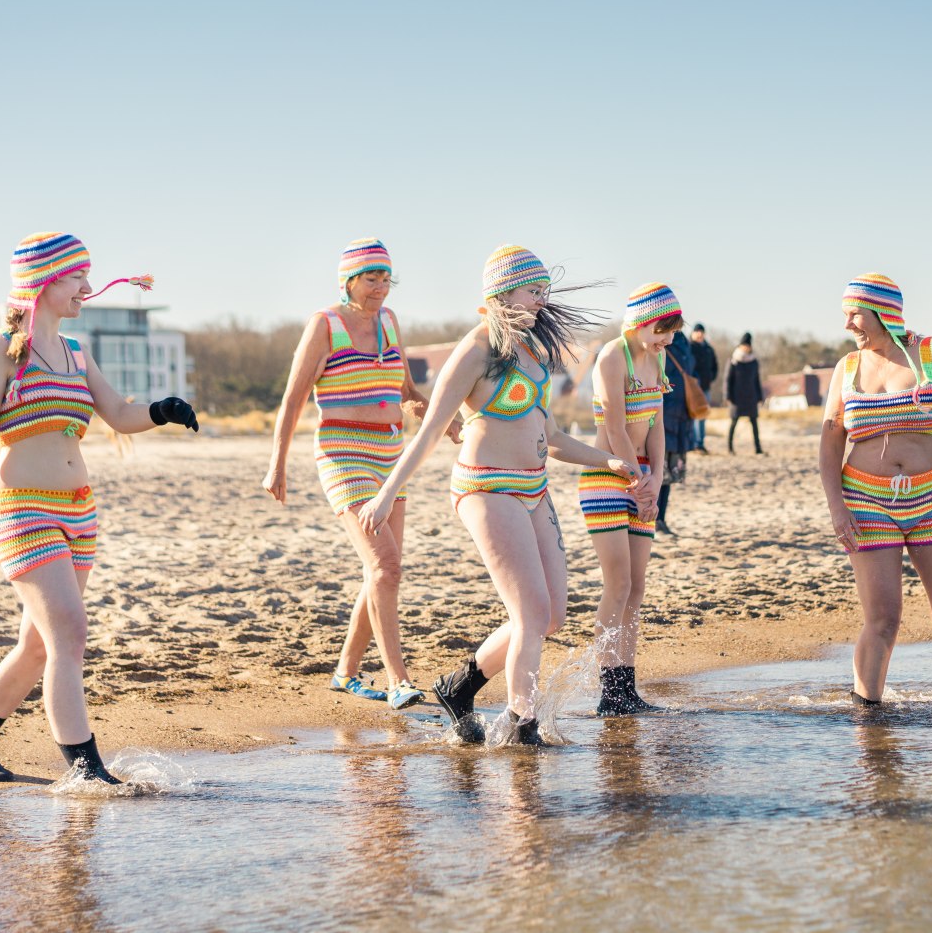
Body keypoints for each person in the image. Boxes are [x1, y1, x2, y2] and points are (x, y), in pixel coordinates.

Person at [0, 232, 200, 784]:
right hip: (22, 510)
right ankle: (87, 770)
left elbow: (120, 414)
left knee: (37, 644)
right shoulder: (0, 351)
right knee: (70, 635)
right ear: (43, 283)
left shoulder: (78, 352)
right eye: (77, 276)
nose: (87, 286)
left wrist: (162, 409)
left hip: (79, 512)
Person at [355, 245, 638, 745]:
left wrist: (608, 461)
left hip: (534, 487)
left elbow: (550, 437)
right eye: (532, 292)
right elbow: (429, 433)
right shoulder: (475, 350)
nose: (540, 303)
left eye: (544, 294)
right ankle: (520, 723)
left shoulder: (530, 350)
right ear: (501, 293)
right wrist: (386, 494)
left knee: (550, 617)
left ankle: (458, 688)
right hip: (486, 488)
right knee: (528, 614)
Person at [263, 238, 454, 711]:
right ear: (348, 280)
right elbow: (294, 398)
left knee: (380, 573)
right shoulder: (324, 324)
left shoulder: (389, 322)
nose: (381, 289)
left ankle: (346, 672)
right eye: (372, 279)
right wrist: (277, 464)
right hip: (343, 453)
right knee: (386, 568)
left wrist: (440, 420)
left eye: (387, 279)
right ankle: (398, 681)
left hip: (391, 455)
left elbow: (406, 390)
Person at [817, 274, 932, 706]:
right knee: (883, 619)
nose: (847, 324)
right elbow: (830, 443)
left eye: (854, 313)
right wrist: (838, 510)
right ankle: (867, 718)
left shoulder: (931, 354)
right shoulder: (847, 368)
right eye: (844, 315)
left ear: (883, 311)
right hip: (866, 500)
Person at [580, 283, 683, 715]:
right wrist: (639, 480)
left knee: (637, 587)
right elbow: (618, 429)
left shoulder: (655, 358)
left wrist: (656, 478)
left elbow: (656, 426)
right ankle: (609, 691)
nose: (667, 340)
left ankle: (627, 687)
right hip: (606, 476)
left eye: (672, 332)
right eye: (662, 330)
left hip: (642, 474)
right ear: (640, 322)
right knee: (618, 583)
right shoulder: (611, 357)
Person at [656, 328, 697, 535]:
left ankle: (655, 520)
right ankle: (661, 519)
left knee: (657, 472)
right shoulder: (686, 348)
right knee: (668, 475)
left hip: (665, 415)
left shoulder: (662, 347)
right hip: (682, 419)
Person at [725, 332, 765, 454]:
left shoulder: (754, 361)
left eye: (748, 345)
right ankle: (730, 448)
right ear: (740, 345)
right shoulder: (733, 360)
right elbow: (728, 380)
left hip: (751, 396)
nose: (746, 347)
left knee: (754, 422)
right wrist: (727, 395)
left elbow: (757, 380)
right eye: (744, 345)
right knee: (734, 422)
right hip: (736, 397)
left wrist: (760, 396)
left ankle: (758, 448)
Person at [688, 323, 719, 453]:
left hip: (705, 387)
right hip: (692, 388)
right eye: (697, 332)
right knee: (693, 416)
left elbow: (715, 366)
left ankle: (700, 443)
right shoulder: (689, 347)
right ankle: (694, 443)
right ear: (693, 333)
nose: (699, 334)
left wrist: (710, 377)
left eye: (701, 332)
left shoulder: (709, 349)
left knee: (702, 416)